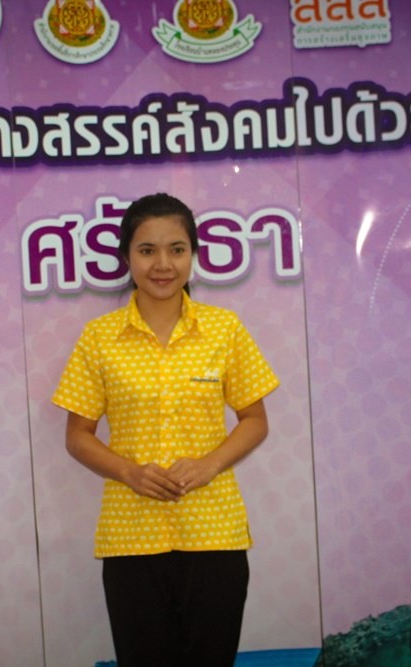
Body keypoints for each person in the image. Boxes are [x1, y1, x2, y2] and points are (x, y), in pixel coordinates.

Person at [52, 193, 279, 667]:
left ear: (193, 254)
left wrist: (209, 465)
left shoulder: (224, 329)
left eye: (177, 249)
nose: (163, 264)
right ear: (126, 257)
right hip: (130, 535)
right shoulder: (99, 338)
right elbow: (78, 436)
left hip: (214, 534)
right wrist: (129, 473)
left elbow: (255, 420)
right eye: (147, 250)